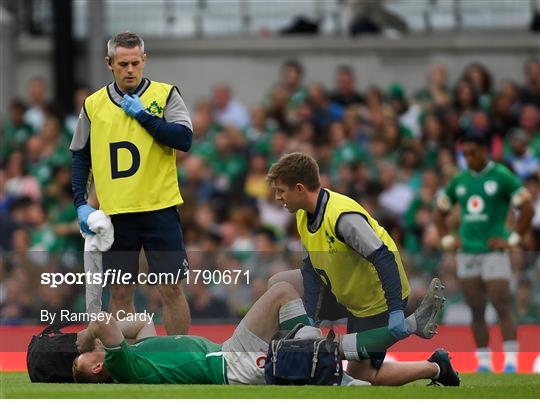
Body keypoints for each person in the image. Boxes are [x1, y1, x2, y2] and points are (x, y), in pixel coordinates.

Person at [265, 152, 446, 385]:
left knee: (364, 378)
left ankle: (435, 367)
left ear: (299, 188)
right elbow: (310, 270)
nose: (278, 197)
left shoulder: (342, 217)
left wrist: (394, 310)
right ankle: (304, 345)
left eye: (281, 190)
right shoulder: (302, 215)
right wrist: (310, 315)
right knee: (280, 285)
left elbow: (384, 258)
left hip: (376, 300)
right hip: (344, 292)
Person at [72, 280, 458, 386]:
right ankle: (410, 329)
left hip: (230, 353)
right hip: (233, 367)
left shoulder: (137, 352)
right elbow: (106, 322)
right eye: (88, 357)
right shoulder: (123, 366)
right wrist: (89, 334)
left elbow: (138, 321)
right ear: (95, 368)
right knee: (342, 368)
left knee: (285, 295)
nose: (94, 350)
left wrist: (95, 339)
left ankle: (437, 368)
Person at [70, 32, 193, 335]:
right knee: (121, 292)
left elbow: (184, 139)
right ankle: (131, 361)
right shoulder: (93, 104)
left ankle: (178, 357)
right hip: (116, 213)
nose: (129, 69)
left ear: (144, 60)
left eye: (135, 63)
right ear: (109, 63)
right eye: (122, 63)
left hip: (159, 209)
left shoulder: (165, 95)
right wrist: (81, 204)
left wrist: (146, 117)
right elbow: (80, 156)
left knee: (171, 289)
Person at [434, 133, 534, 373]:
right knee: (476, 308)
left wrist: (512, 239)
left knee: (501, 304)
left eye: (472, 152)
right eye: (464, 153)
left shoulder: (500, 175)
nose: (468, 158)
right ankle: (484, 363)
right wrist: (447, 238)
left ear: (484, 151)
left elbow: (527, 207)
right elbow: (440, 211)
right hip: (467, 252)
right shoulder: (460, 180)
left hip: (492, 251)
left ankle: (511, 362)